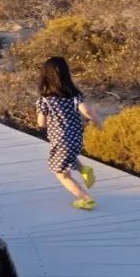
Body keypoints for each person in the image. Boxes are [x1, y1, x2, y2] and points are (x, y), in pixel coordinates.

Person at [36, 57, 101, 210]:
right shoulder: (74, 95)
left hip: (60, 141)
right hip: (76, 138)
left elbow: (41, 123)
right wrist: (99, 122)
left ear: (45, 76)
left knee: (61, 174)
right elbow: (87, 111)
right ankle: (84, 170)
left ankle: (86, 199)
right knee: (69, 154)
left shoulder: (44, 101)